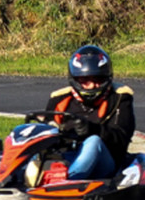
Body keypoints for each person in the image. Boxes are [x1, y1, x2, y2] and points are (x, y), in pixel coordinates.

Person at [45, 44, 136, 179]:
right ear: (75, 79)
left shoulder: (120, 98)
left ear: (106, 78)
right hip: (65, 157)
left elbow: (122, 136)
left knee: (93, 141)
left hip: (106, 162)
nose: (92, 86)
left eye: (97, 80)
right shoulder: (59, 99)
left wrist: (92, 129)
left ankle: (68, 181)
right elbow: (46, 128)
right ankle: (12, 180)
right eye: (85, 80)